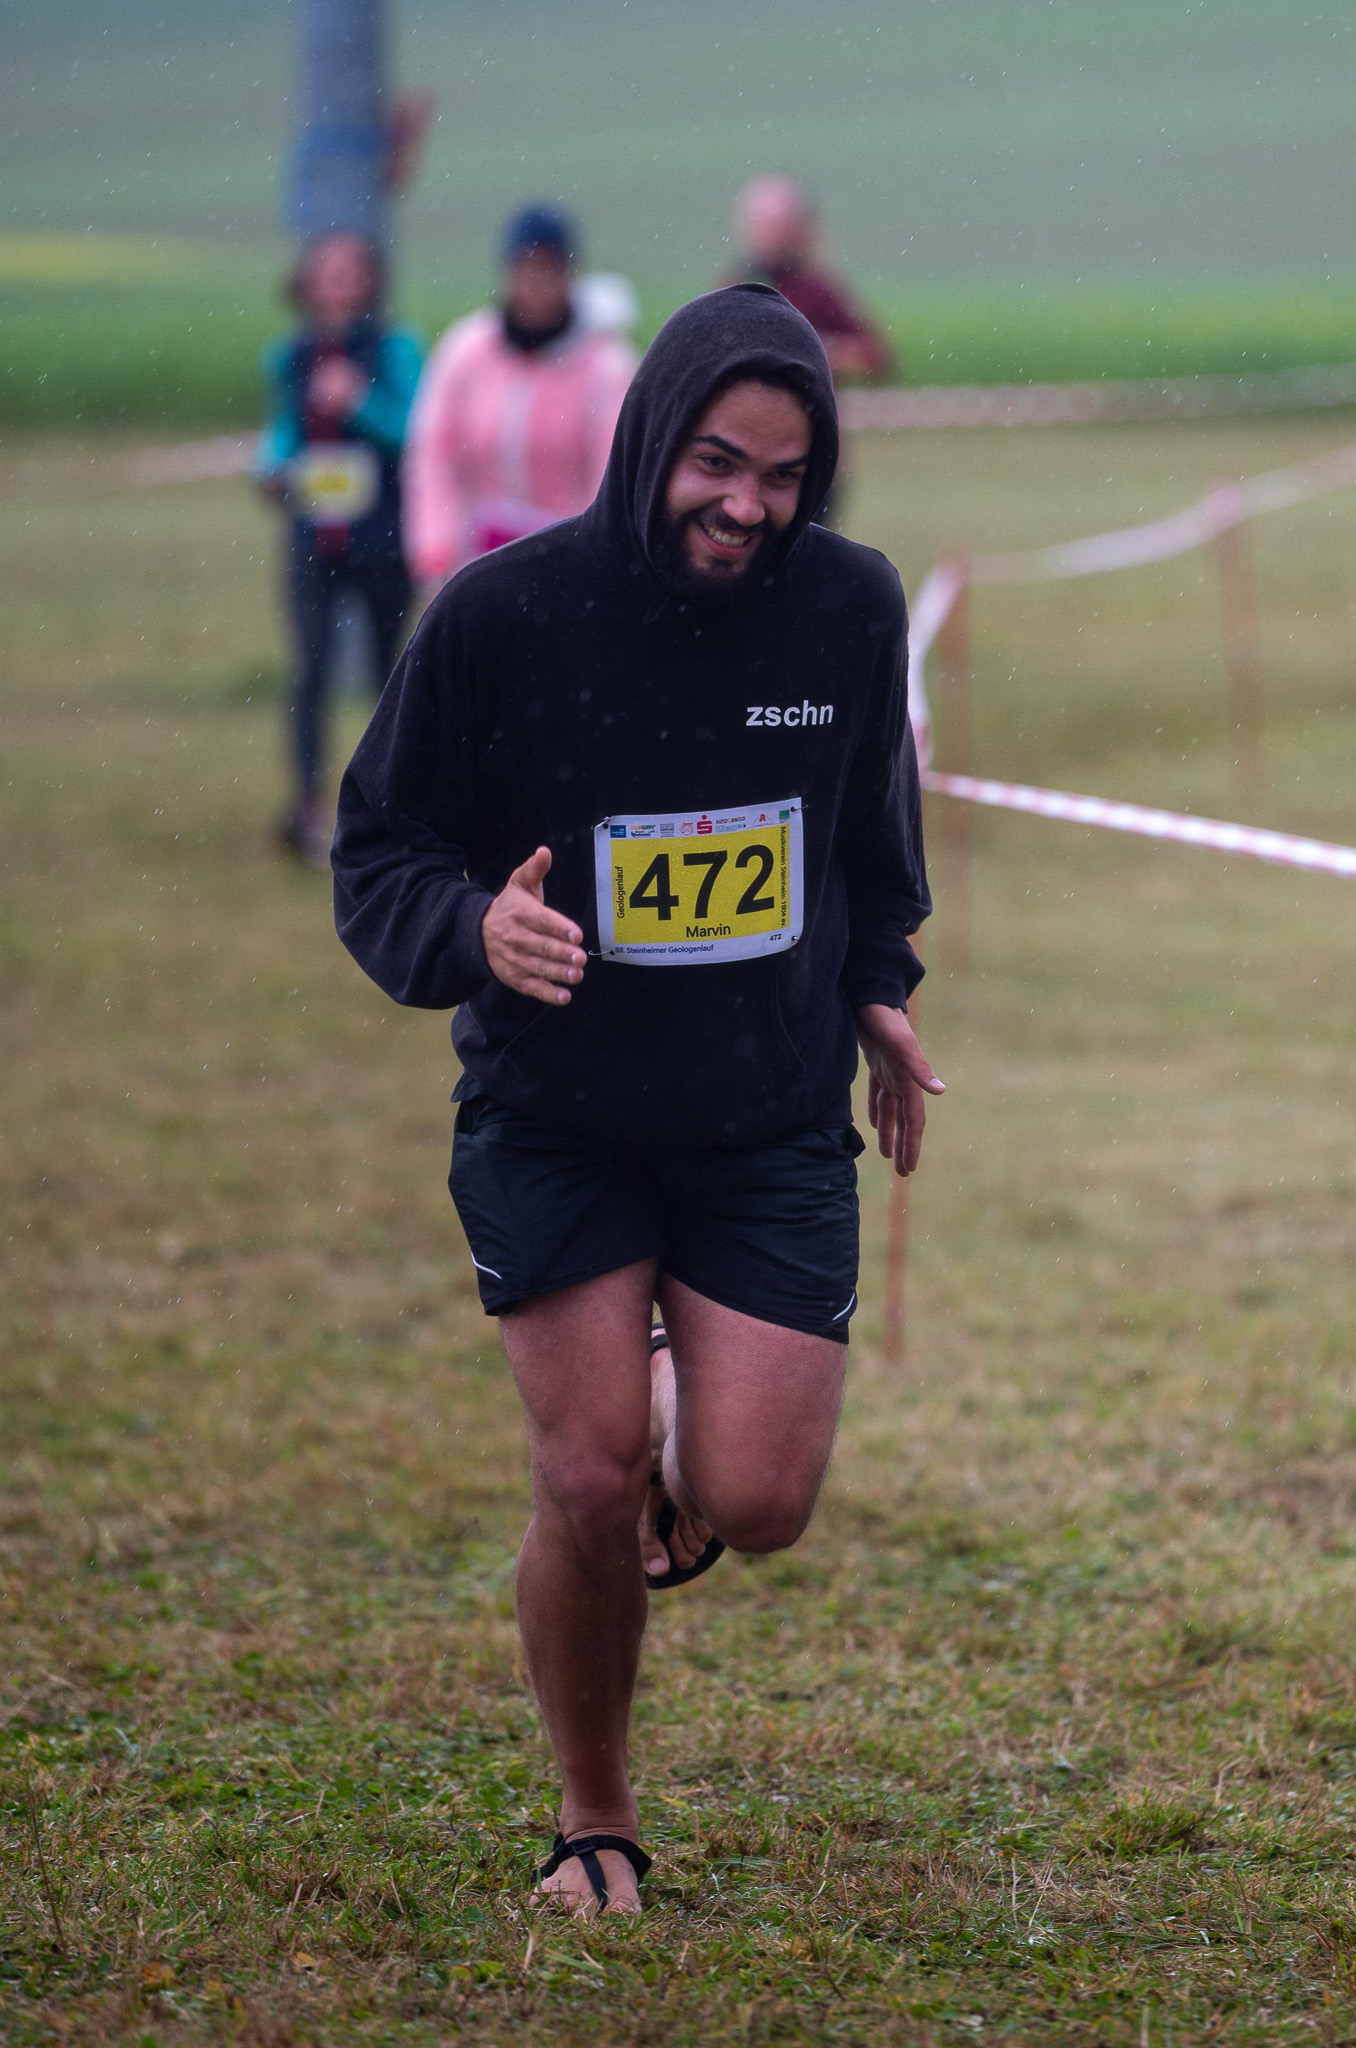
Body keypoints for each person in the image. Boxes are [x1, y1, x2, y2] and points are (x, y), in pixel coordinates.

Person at [332, 283, 943, 1917]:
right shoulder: (502, 615)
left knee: (758, 1499)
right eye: (715, 463)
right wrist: (474, 926)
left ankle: (679, 1394)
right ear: (651, 436)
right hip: (558, 1115)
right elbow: (380, 847)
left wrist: (879, 983)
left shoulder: (848, 607)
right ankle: (592, 1812)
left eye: (784, 477)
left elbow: (867, 841)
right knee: (590, 1475)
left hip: (763, 1118)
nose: (745, 505)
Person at [257, 231, 423, 867]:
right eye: (326, 271)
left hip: (383, 540)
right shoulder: (290, 355)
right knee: (310, 672)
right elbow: (283, 432)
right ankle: (306, 807)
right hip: (312, 540)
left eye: (349, 271)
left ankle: (393, 806)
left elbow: (416, 431)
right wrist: (271, 468)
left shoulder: (396, 349)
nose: (337, 283)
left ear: (369, 282)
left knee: (390, 678)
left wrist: (358, 402)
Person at [402, 204, 636, 603]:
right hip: (475, 571)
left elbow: (615, 472)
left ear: (570, 276)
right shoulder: (466, 351)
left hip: (568, 572)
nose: (536, 283)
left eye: (549, 269)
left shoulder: (605, 367)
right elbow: (433, 455)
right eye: (526, 269)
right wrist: (435, 548)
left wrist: (602, 564)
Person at [730, 175, 890, 384]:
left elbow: (873, 357)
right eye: (764, 224)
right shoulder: (737, 284)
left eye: (779, 224)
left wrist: (810, 348)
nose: (771, 235)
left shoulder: (816, 288)